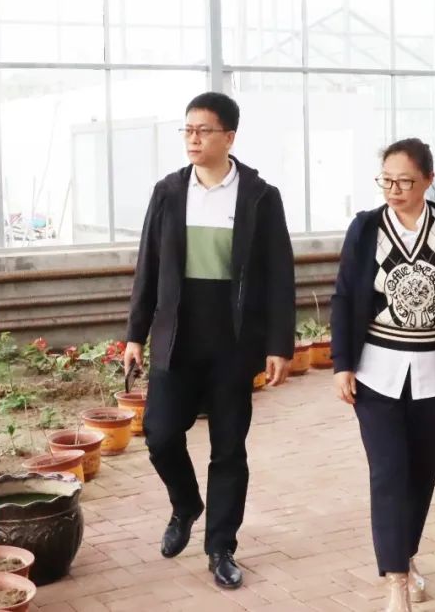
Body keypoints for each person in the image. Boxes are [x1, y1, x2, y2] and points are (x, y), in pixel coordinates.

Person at [123, 92, 295, 590]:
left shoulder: (260, 196)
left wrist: (279, 344)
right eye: (188, 130)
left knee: (228, 450)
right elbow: (148, 266)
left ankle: (221, 547)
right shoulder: (168, 192)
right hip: (177, 337)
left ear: (229, 137)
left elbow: (279, 275)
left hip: (233, 344)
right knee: (159, 434)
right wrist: (135, 334)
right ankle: (185, 504)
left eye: (203, 130)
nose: (193, 139)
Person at [330, 138, 435, 611]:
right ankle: (396, 581)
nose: (394, 190)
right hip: (376, 373)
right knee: (388, 473)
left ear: (429, 180)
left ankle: (404, 555)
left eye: (404, 181)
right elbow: (344, 296)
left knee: (421, 476)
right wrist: (342, 363)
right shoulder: (366, 229)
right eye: (386, 180)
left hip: (434, 375)